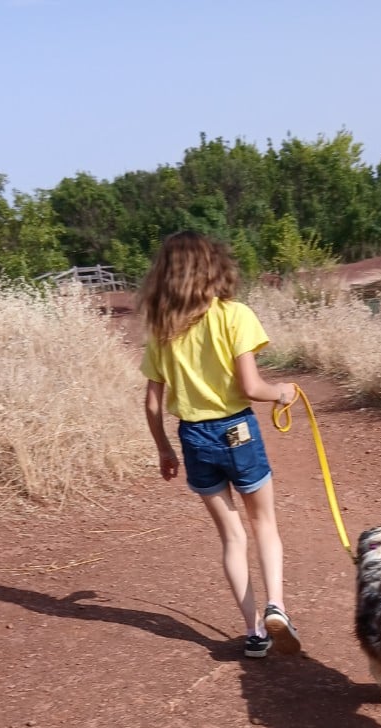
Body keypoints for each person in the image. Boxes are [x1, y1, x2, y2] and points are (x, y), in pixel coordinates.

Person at [140, 231, 301, 659]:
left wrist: (164, 450)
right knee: (263, 523)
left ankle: (253, 634)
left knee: (231, 537)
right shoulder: (234, 315)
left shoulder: (162, 331)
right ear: (212, 267)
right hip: (238, 431)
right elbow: (250, 387)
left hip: (193, 437)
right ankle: (277, 607)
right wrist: (282, 391)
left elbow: (153, 403)